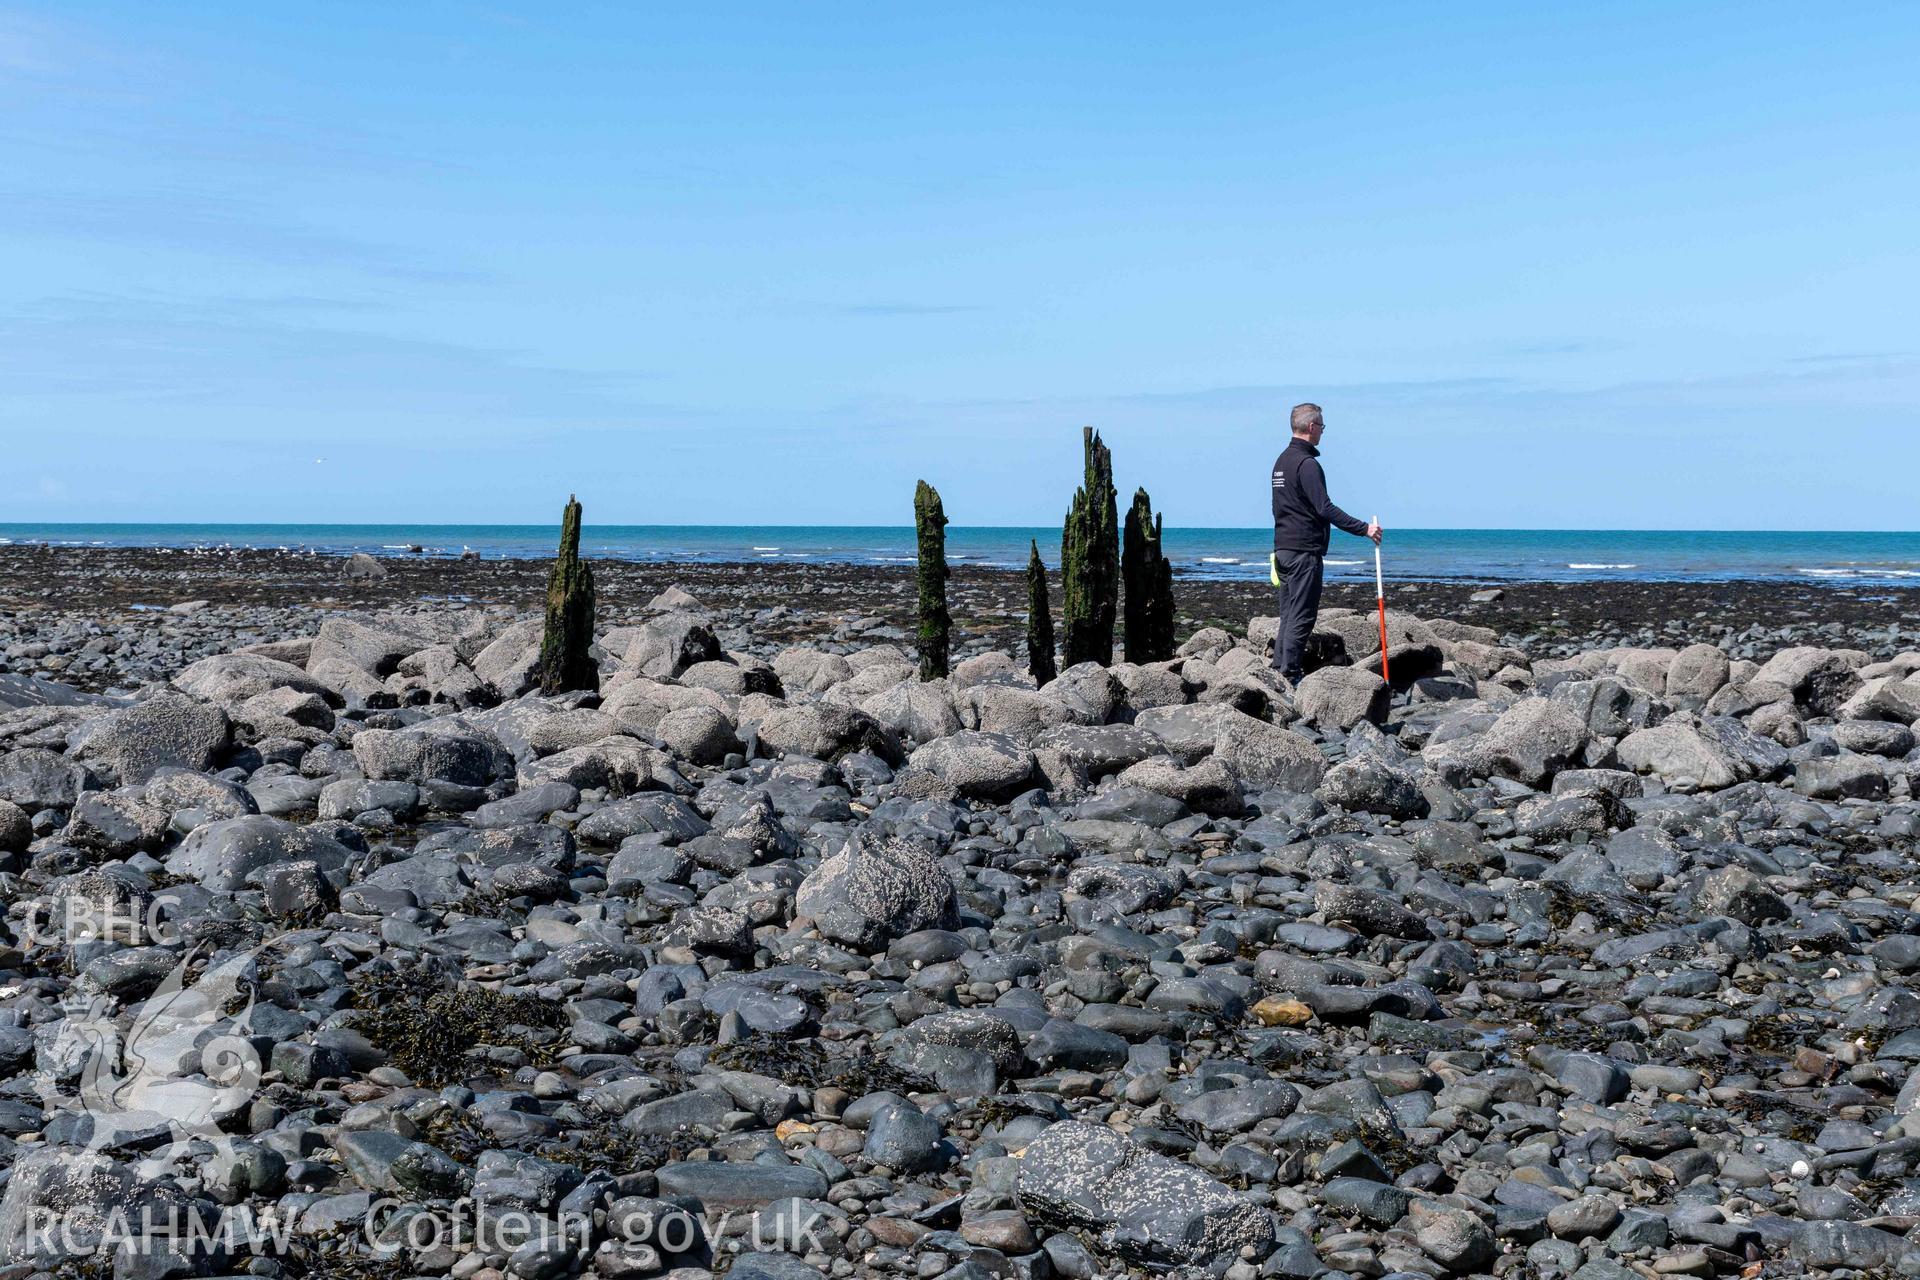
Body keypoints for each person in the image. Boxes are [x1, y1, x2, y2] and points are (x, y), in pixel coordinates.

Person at [1269, 403, 1382, 681]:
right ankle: (1290, 673)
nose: (1323, 432)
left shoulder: (1281, 462)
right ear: (1311, 427)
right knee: (1302, 616)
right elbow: (1325, 508)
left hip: (1283, 548)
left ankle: (1278, 670)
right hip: (1303, 551)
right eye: (1322, 426)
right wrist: (1363, 529)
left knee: (1289, 614)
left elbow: (1279, 506)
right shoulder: (1307, 465)